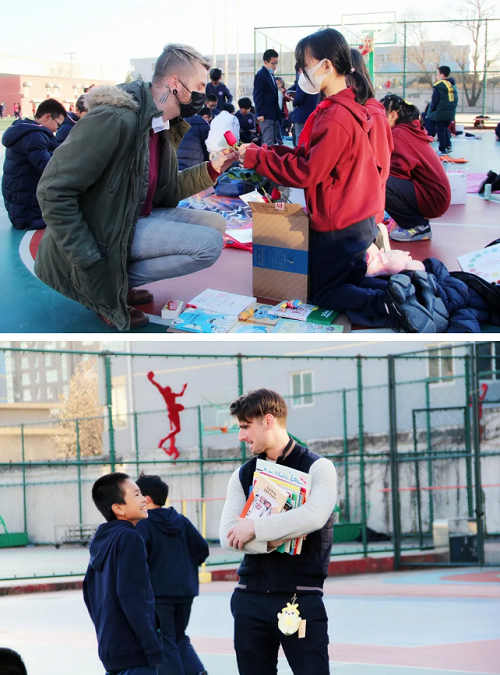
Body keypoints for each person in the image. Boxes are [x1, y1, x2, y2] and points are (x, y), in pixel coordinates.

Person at [34, 43, 239, 331]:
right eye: (199, 86)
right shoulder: (115, 118)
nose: (204, 96)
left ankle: (122, 282)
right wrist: (88, 260)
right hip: (101, 234)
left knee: (216, 224)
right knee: (208, 245)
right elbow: (52, 191)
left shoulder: (162, 125)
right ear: (173, 84)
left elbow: (164, 192)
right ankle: (106, 292)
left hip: (129, 221)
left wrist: (212, 168)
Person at [240, 28, 384, 321]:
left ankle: (390, 303)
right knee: (345, 281)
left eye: (305, 66)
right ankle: (392, 293)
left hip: (340, 225)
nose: (302, 74)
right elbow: (310, 156)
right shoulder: (338, 108)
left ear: (327, 66)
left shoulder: (336, 116)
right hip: (351, 221)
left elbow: (308, 172)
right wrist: (269, 152)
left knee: (323, 293)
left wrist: (257, 158)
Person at [219, 388, 337, 675]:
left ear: (268, 421)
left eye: (245, 427)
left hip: (300, 597)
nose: (241, 436)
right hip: (248, 598)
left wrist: (254, 528)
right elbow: (227, 537)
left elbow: (314, 516)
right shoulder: (243, 474)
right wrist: (281, 535)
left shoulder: (319, 468)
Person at [83, 472, 164, 675]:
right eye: (136, 494)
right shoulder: (129, 538)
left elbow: (88, 593)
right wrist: (153, 647)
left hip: (111, 648)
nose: (144, 499)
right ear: (118, 508)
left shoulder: (100, 541)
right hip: (135, 650)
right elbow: (132, 597)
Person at [135, 473, 209, 675]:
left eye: (137, 495)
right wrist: (185, 567)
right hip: (186, 591)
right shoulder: (181, 520)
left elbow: (138, 560)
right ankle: (197, 671)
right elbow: (202, 549)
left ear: (147, 499)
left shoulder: (143, 524)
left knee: (164, 639)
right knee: (179, 636)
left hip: (160, 594)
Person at [381, 94, 451, 242]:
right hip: (435, 195)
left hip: (432, 198)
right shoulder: (409, 130)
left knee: (380, 182)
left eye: (381, 113)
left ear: (393, 115)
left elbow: (399, 172)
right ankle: (413, 222)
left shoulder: (398, 133)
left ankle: (417, 226)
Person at [1, 98, 66, 230]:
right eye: (58, 125)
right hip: (26, 212)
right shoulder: (34, 136)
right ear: (48, 117)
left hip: (19, 203)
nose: (57, 130)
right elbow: (49, 168)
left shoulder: (25, 130)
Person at [347, 48, 393, 226]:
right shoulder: (343, 111)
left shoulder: (372, 113)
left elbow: (380, 170)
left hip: (362, 217)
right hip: (349, 216)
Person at [253, 49, 281, 146]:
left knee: (273, 142)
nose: (275, 66)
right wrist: (260, 113)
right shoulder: (261, 75)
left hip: (273, 114)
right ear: (266, 62)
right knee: (268, 142)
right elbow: (257, 95)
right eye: (273, 63)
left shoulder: (271, 75)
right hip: (265, 115)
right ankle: (265, 161)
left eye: (276, 63)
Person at [428, 65, 458, 155]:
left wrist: (432, 109)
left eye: (438, 74)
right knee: (445, 128)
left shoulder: (439, 85)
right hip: (450, 111)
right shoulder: (452, 85)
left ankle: (442, 148)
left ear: (441, 74)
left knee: (440, 129)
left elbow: (435, 99)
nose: (437, 76)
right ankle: (448, 145)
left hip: (440, 111)